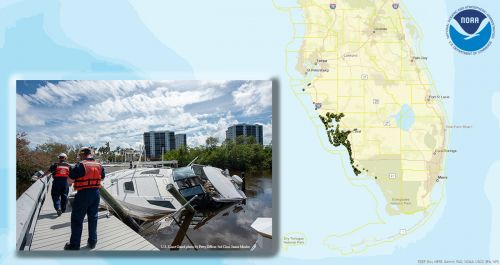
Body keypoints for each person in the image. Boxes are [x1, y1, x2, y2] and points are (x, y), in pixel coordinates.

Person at [64, 147, 105, 250]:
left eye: (80, 155)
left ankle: (74, 245)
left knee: (77, 220)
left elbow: (69, 181)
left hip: (83, 194)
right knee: (93, 218)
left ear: (82, 155)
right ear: (90, 154)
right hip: (96, 194)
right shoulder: (99, 165)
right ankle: (92, 242)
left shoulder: (80, 165)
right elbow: (102, 177)